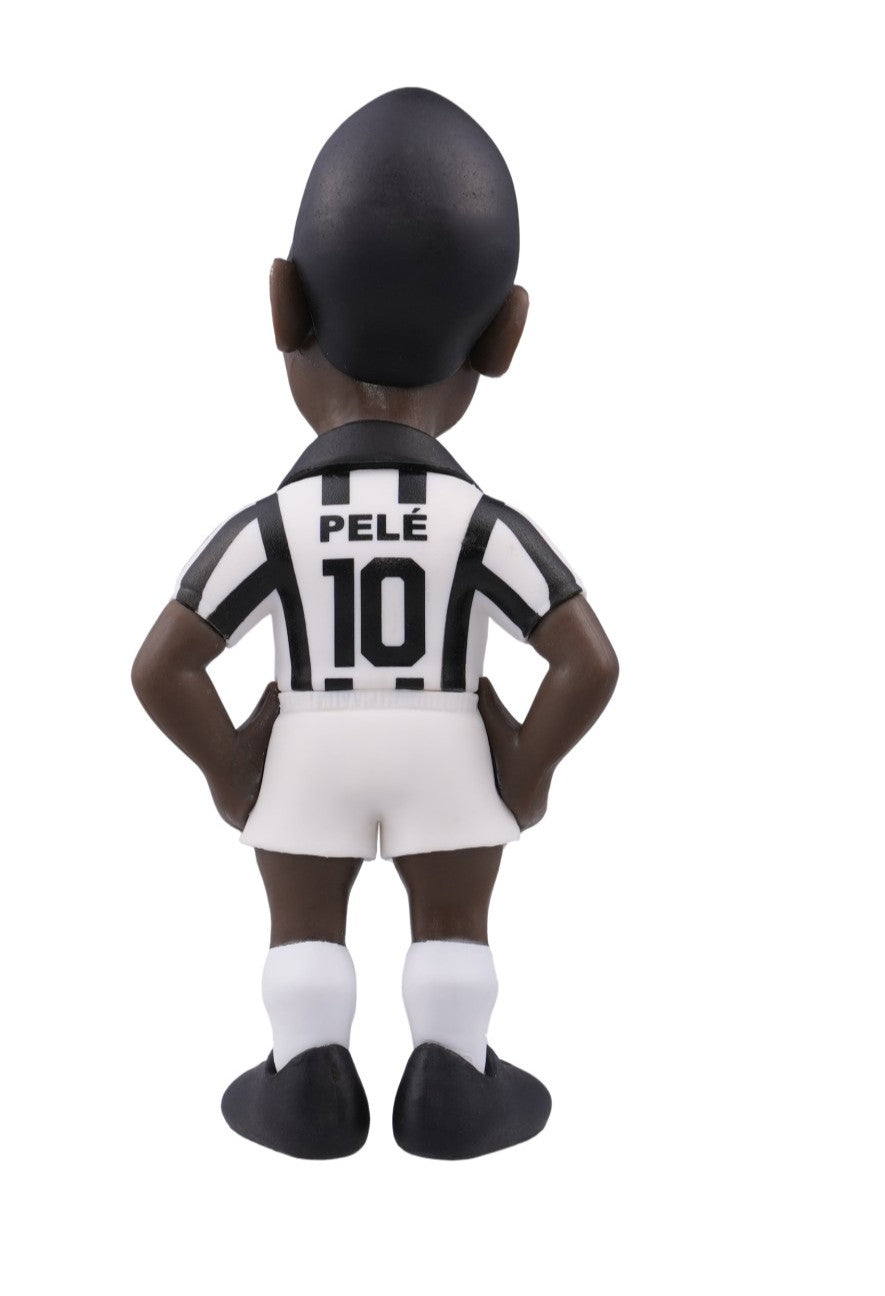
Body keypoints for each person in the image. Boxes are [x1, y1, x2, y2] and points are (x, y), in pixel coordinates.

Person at [132, 88, 618, 1159]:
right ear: (505, 335)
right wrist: (526, 765)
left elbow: (162, 667)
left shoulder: (272, 527)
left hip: (307, 747)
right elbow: (588, 660)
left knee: (302, 921)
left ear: (283, 306)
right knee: (455, 920)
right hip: (449, 745)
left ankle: (305, 1072)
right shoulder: (480, 525)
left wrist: (232, 767)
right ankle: (455, 1072)